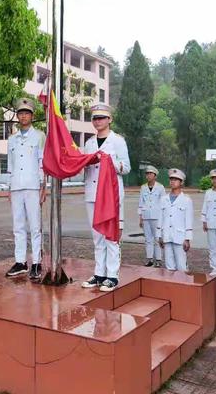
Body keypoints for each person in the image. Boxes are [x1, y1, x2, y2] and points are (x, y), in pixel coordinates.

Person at [81, 103, 131, 292]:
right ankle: (99, 273)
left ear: (109, 119)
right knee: (97, 237)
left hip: (111, 196)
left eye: (101, 117)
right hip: (92, 194)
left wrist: (109, 162)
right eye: (94, 118)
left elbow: (126, 167)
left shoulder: (117, 141)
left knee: (111, 236)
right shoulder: (89, 143)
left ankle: (112, 275)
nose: (98, 121)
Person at [5, 98, 46, 279]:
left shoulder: (39, 136)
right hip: (16, 186)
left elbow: (42, 162)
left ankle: (36, 262)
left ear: (32, 116)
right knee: (18, 226)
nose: (23, 116)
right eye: (21, 113)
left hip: (32, 186)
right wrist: (9, 187)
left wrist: (43, 186)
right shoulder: (12, 139)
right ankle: (20, 262)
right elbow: (10, 165)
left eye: (27, 113)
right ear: (18, 116)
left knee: (35, 226)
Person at [156, 169, 193, 272]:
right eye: (171, 179)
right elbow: (160, 218)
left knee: (181, 266)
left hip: (180, 236)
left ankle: (184, 287)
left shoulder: (186, 200)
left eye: (176, 179)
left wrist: (187, 239)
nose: (173, 181)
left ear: (181, 182)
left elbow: (189, 220)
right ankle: (171, 287)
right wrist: (159, 235)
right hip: (167, 235)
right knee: (169, 266)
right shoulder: (164, 199)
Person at [138, 166, 165, 267]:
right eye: (147, 173)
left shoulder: (160, 187)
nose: (148, 175)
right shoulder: (143, 187)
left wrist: (163, 218)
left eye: (150, 173)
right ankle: (149, 259)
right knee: (148, 239)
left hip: (156, 216)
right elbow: (141, 203)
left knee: (157, 238)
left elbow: (163, 203)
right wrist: (140, 217)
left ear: (155, 176)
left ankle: (158, 259)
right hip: (146, 216)